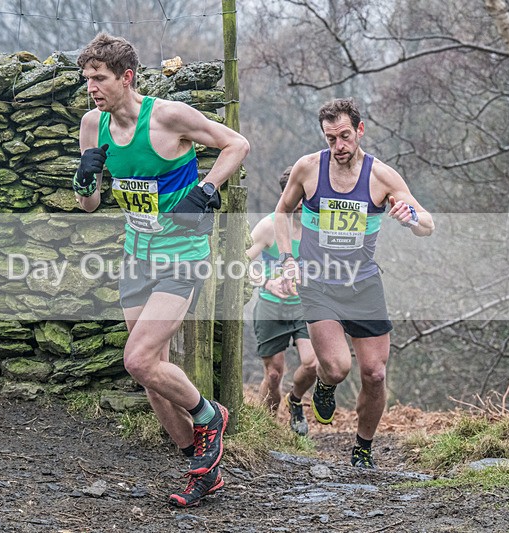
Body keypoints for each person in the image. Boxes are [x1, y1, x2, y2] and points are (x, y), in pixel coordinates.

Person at [73, 32, 249, 507]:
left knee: (138, 359)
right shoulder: (92, 124)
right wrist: (85, 178)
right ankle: (202, 468)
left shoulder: (168, 116)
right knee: (151, 376)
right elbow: (89, 204)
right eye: (87, 78)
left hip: (181, 253)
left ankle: (210, 416)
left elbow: (236, 144)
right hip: (137, 255)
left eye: (99, 78)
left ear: (126, 77)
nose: (91, 87)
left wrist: (207, 190)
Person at [274, 98, 434, 468]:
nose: (339, 146)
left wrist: (410, 217)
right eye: (331, 139)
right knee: (335, 368)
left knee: (375, 374)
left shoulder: (382, 176)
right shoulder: (308, 168)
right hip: (318, 282)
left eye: (345, 136)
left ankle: (363, 448)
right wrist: (287, 260)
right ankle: (325, 384)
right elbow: (282, 212)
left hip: (363, 285)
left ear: (359, 130)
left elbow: (427, 225)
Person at [246, 167, 316, 436]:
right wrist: (267, 282)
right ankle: (267, 429)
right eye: (294, 197)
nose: (299, 204)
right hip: (271, 306)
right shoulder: (268, 227)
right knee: (274, 374)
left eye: (304, 197)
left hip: (304, 306)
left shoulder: (316, 227)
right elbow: (240, 263)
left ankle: (295, 400)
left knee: (312, 364)